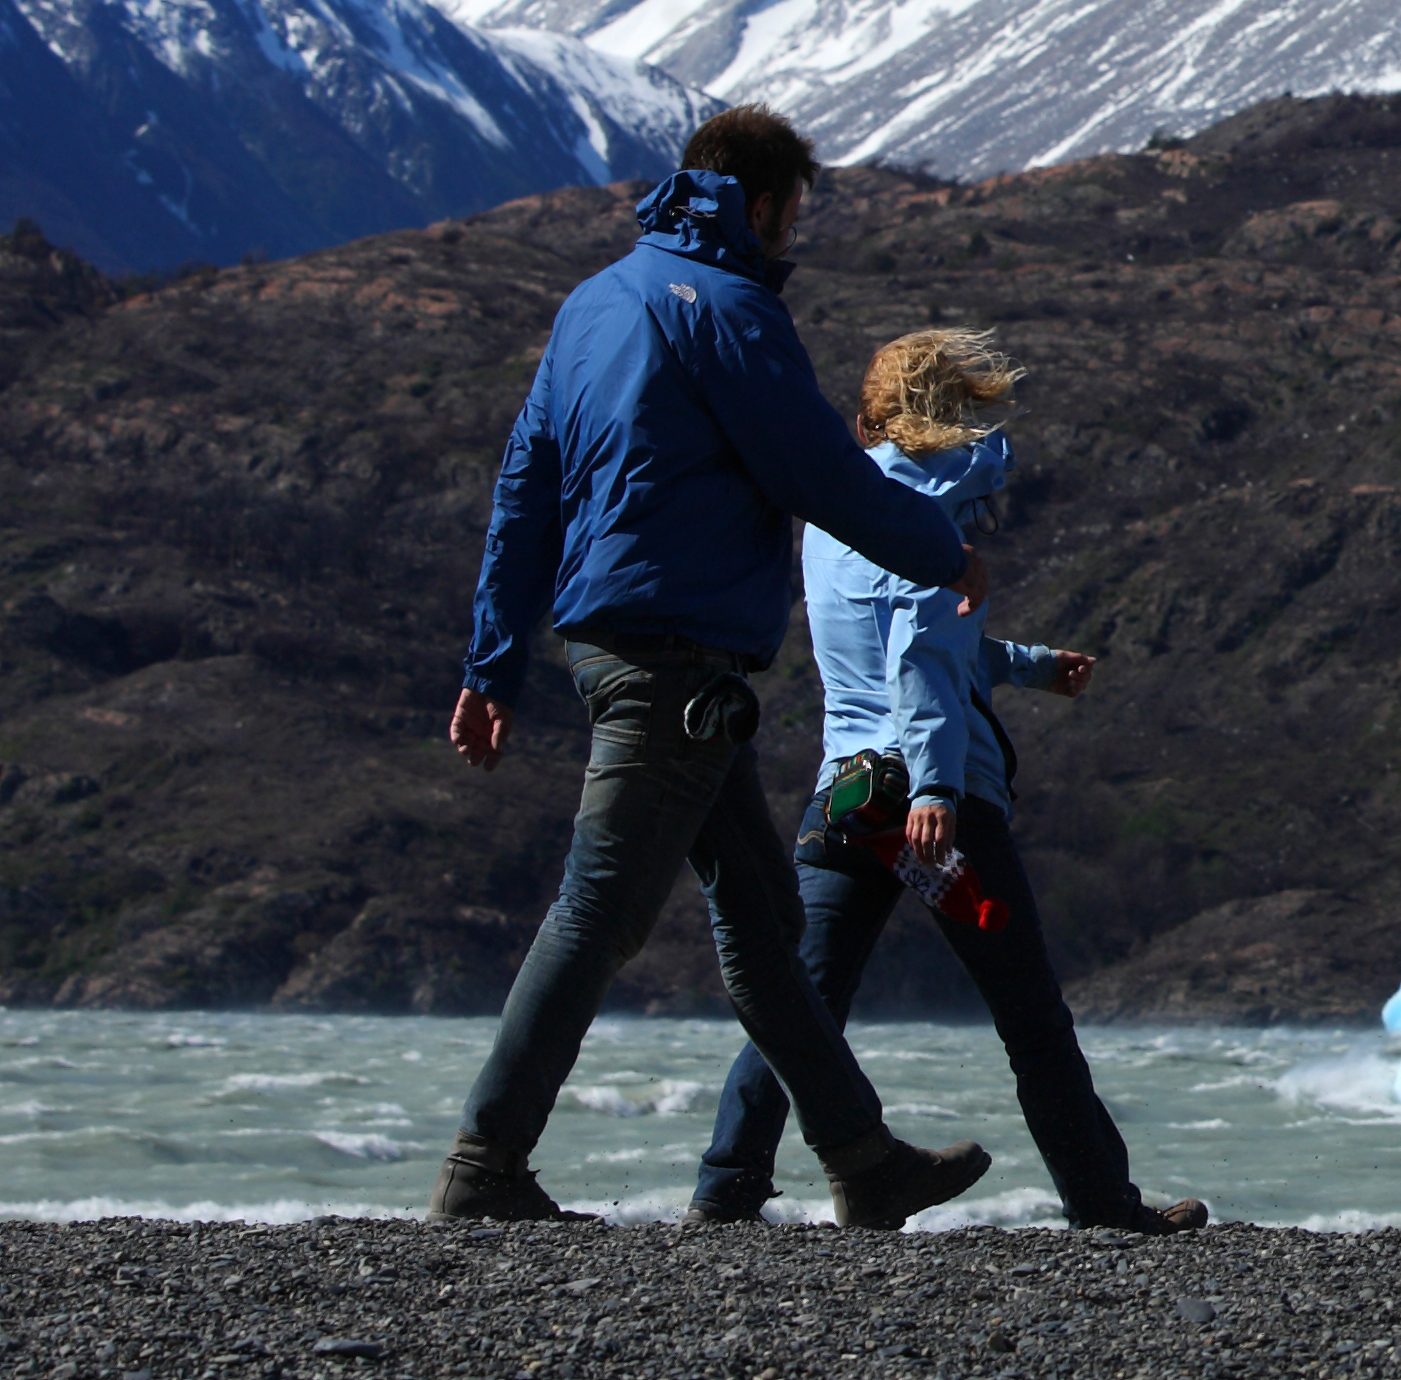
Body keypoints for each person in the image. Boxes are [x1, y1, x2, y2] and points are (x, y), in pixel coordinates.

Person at [434, 105, 997, 1229]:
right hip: (675, 660)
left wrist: (493, 664)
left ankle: (863, 1158)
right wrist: (946, 550)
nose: (796, 236)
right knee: (597, 910)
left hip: (614, 647)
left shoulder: (593, 303)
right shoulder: (729, 309)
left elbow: (524, 492)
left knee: (760, 917)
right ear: (759, 203)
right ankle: (484, 1166)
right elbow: (819, 475)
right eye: (795, 213)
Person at [688, 328, 1208, 1233]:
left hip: (850, 798)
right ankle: (1102, 1203)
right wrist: (935, 790)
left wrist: (1032, 666)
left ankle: (726, 1187)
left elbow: (916, 644)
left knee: (802, 1005)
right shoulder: (924, 513)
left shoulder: (836, 516)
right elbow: (919, 654)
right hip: (935, 810)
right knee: (1029, 1014)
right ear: (950, 411)